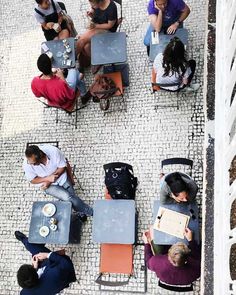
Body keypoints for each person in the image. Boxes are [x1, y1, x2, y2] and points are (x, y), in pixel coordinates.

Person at [23, 144, 93, 220]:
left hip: (62, 178)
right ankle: (88, 211)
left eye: (33, 163)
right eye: (30, 162)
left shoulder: (53, 151)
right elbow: (32, 180)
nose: (31, 164)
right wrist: (47, 179)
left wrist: (51, 179)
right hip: (48, 186)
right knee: (69, 197)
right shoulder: (27, 164)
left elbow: (62, 166)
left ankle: (77, 211)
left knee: (71, 197)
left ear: (40, 156)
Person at [15, 231, 76, 295]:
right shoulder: (55, 273)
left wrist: (35, 268)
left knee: (31, 246)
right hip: (54, 267)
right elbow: (66, 263)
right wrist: (47, 255)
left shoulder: (24, 293)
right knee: (36, 248)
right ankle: (40, 239)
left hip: (42, 272)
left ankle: (24, 239)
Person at [76, 0, 119, 73]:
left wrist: (96, 26)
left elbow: (110, 25)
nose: (91, 6)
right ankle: (97, 60)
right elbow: (94, 9)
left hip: (107, 31)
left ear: (100, 2)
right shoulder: (96, 4)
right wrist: (91, 13)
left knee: (82, 40)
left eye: (93, 4)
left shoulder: (111, 8)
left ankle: (73, 60)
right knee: (86, 46)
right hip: (97, 26)